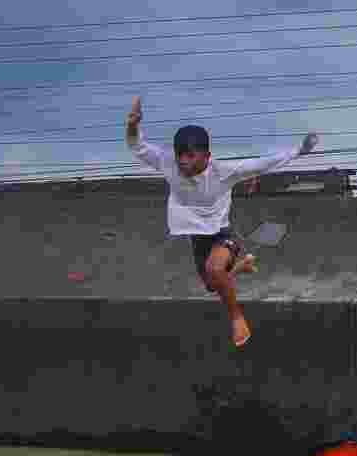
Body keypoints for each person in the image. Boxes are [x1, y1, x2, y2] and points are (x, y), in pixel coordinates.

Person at [126, 95, 319, 347]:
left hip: (222, 234)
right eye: (180, 155)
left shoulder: (224, 171)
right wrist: (132, 124)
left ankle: (237, 319)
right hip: (197, 237)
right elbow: (137, 146)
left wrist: (299, 150)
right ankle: (242, 266)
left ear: (207, 155)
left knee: (215, 270)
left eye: (191, 156)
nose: (184, 162)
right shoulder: (167, 163)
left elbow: (264, 163)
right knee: (211, 284)